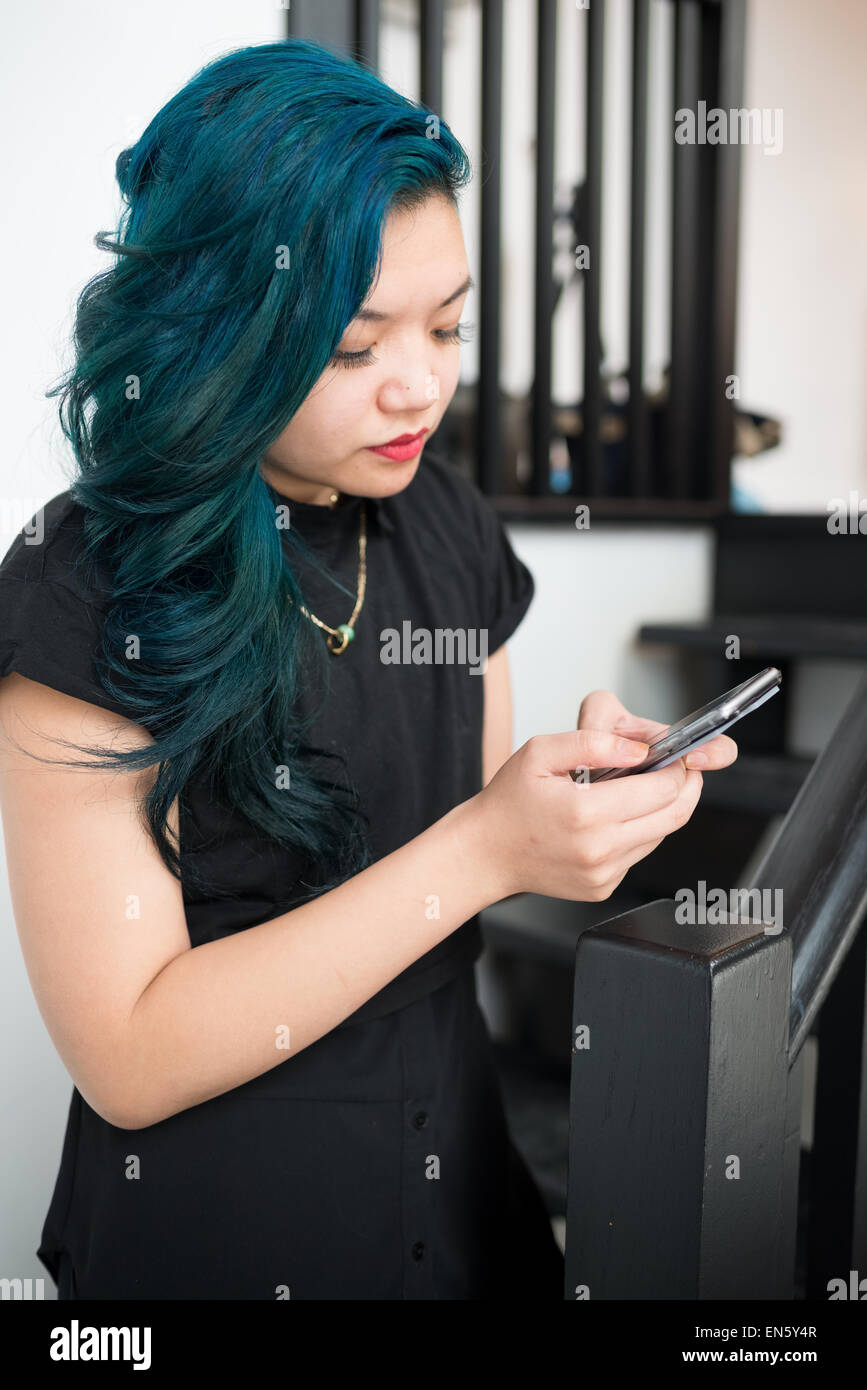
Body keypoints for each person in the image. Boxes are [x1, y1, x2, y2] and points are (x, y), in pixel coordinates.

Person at [0, 38, 735, 1300]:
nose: (423, 386)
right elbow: (125, 1048)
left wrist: (565, 801)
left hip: (455, 1181)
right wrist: (487, 848)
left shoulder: (445, 520)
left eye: (448, 326)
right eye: (353, 348)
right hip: (224, 1228)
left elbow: (464, 828)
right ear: (219, 329)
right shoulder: (84, 584)